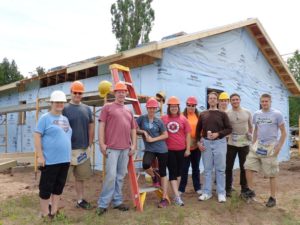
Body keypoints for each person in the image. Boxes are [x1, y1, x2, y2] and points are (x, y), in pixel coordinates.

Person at [96, 81, 137, 215]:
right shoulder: (107, 107)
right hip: (112, 148)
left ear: (126, 93)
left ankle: (117, 201)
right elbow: (101, 125)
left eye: (123, 91)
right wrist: (102, 144)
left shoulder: (128, 110)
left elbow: (133, 129)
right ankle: (103, 204)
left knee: (120, 176)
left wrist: (134, 145)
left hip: (125, 148)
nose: (121, 93)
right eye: (119, 91)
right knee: (111, 176)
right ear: (115, 93)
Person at [244, 94, 286, 207]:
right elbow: (256, 130)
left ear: (270, 101)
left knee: (271, 173)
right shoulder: (257, 114)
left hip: (270, 146)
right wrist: (253, 144)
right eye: (262, 101)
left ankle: (273, 198)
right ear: (260, 102)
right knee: (248, 166)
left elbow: (284, 133)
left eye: (266, 101)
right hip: (258, 146)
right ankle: (251, 191)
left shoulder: (277, 114)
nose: (264, 103)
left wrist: (278, 147)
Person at [34, 90, 72, 218]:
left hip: (64, 160)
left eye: (61, 102)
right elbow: (37, 136)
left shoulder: (65, 119)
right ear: (52, 103)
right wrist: (40, 156)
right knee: (45, 188)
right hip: (50, 160)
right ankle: (45, 214)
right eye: (57, 102)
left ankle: (54, 212)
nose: (59, 104)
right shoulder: (45, 118)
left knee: (58, 187)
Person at [62, 81, 94, 210]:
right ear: (71, 92)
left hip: (82, 150)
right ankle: (54, 202)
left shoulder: (86, 109)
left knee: (80, 178)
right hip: (67, 150)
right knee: (61, 178)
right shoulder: (64, 108)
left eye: (80, 93)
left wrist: (90, 143)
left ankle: (80, 200)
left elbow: (91, 126)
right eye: (75, 92)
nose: (77, 95)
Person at [196, 92, 232, 203]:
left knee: (220, 169)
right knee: (207, 169)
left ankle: (221, 193)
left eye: (214, 98)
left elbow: (229, 129)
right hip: (206, 143)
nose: (212, 100)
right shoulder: (203, 114)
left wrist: (218, 134)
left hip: (220, 142)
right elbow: (198, 130)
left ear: (217, 101)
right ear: (208, 100)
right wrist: (198, 142)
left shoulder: (222, 114)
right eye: (210, 98)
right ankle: (207, 192)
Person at [137, 97, 169, 208]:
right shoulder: (142, 119)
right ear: (147, 108)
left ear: (156, 109)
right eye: (150, 108)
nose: (151, 110)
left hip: (161, 149)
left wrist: (152, 139)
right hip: (150, 149)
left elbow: (166, 135)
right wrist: (143, 132)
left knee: (164, 172)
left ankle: (164, 199)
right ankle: (155, 177)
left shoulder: (159, 121)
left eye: (153, 108)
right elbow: (134, 129)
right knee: (146, 164)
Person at [161, 96, 191, 206]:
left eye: (175, 106)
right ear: (168, 107)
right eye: (172, 106)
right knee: (173, 172)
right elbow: (159, 132)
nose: (174, 108)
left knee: (179, 173)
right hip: (168, 150)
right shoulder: (163, 119)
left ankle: (175, 194)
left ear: (178, 107)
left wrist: (188, 149)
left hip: (181, 150)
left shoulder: (183, 119)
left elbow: (188, 135)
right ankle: (177, 197)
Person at [225, 93, 252, 197]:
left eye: (237, 99)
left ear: (240, 100)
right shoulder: (227, 113)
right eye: (233, 100)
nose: (235, 101)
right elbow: (226, 127)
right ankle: (227, 188)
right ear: (230, 101)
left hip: (244, 144)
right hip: (231, 143)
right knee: (229, 167)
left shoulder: (247, 112)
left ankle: (244, 189)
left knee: (244, 167)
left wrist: (250, 135)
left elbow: (250, 126)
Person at [179, 96, 202, 196]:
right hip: (185, 146)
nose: (191, 107)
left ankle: (197, 187)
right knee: (184, 168)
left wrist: (200, 140)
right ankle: (181, 188)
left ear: (195, 106)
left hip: (196, 146)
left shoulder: (199, 116)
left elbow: (202, 129)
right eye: (189, 105)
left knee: (196, 168)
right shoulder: (182, 116)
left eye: (193, 106)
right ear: (186, 105)